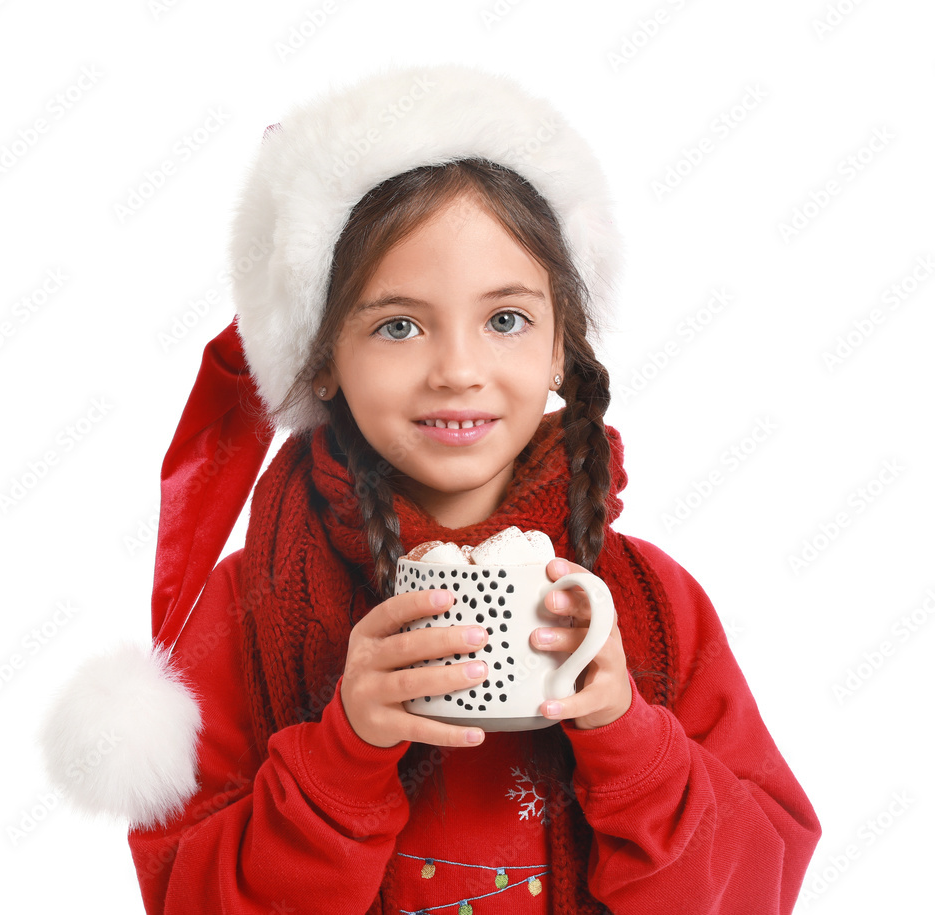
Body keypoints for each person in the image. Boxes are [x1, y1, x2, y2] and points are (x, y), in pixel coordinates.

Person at [44, 64, 820, 914]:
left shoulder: (651, 607)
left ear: (562, 345)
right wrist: (344, 752)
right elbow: (186, 896)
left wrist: (628, 736)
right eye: (399, 325)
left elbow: (760, 883)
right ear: (323, 358)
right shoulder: (249, 611)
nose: (457, 369)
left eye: (506, 318)